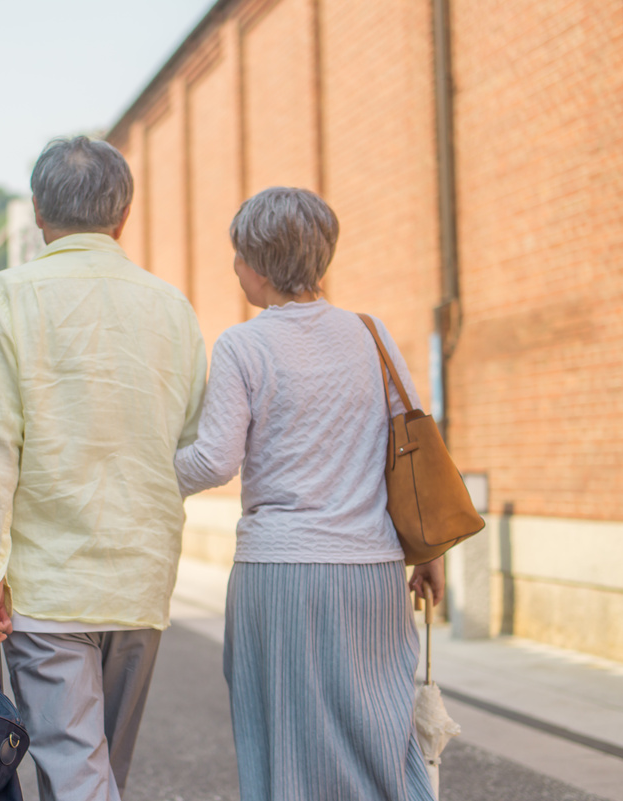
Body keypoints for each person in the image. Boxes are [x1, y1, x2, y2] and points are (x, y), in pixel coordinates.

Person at [0, 136, 206, 801]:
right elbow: (194, 439)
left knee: (78, 772)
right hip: (141, 574)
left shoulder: (5, 297)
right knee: (97, 771)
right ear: (123, 215)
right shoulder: (172, 308)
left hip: (49, 581)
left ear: (38, 211)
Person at [174, 187, 442, 801]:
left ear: (260, 265)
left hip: (282, 571)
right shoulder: (371, 335)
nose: (234, 266)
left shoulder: (243, 345)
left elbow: (215, 460)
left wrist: (157, 471)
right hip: (371, 571)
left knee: (286, 742)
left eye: (238, 254)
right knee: (381, 732)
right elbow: (412, 448)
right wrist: (428, 553)